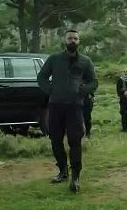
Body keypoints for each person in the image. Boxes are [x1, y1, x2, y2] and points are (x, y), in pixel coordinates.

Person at [37, 29, 97, 192]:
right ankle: (63, 171)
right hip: (56, 105)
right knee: (55, 139)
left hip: (75, 107)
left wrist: (83, 90)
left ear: (79, 41)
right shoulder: (54, 59)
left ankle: (75, 176)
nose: (73, 41)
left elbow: (93, 82)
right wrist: (51, 90)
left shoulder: (85, 61)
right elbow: (41, 77)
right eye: (70, 38)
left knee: (75, 141)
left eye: (75, 38)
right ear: (65, 41)